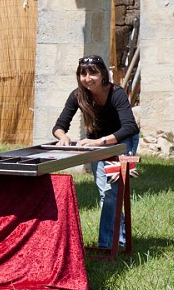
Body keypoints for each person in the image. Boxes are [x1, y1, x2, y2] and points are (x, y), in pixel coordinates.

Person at [52, 54, 140, 249]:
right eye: (83, 73)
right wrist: (63, 137)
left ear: (102, 75)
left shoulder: (117, 93)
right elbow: (59, 126)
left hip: (122, 140)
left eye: (93, 73)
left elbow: (130, 127)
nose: (87, 78)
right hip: (97, 143)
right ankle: (120, 239)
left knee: (112, 193)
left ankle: (107, 245)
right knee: (106, 193)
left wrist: (101, 141)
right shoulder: (78, 95)